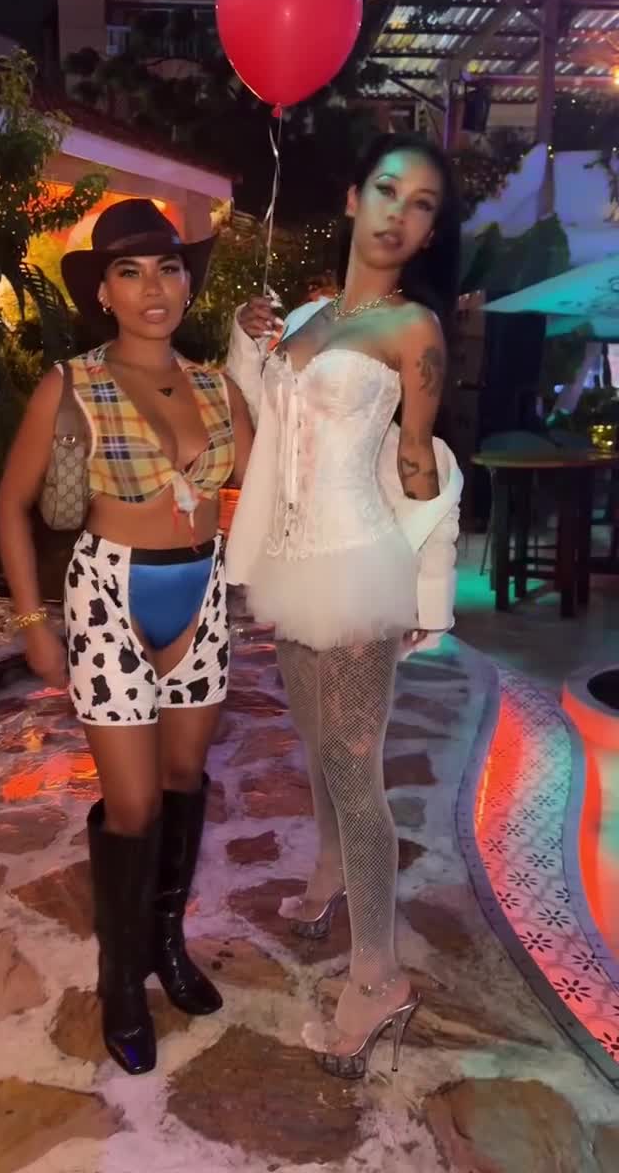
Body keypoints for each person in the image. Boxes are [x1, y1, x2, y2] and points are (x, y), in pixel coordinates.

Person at [0, 200, 253, 1076]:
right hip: (110, 594)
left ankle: (166, 946)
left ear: (188, 284)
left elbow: (267, 485)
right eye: (130, 272)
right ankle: (120, 981)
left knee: (183, 780)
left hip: (201, 595)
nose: (153, 288)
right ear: (102, 292)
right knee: (133, 803)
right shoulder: (70, 384)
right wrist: (33, 623)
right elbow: (11, 506)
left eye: (168, 268)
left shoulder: (219, 387)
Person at [226, 134, 463, 1080]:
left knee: (356, 771)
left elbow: (420, 465)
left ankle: (378, 977)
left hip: (359, 563)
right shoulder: (309, 315)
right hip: (293, 559)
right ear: (354, 197)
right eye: (388, 190)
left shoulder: (415, 329)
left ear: (430, 231)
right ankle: (328, 871)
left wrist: (428, 590)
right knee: (316, 741)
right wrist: (247, 343)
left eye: (423, 204)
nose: (400, 213)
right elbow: (265, 428)